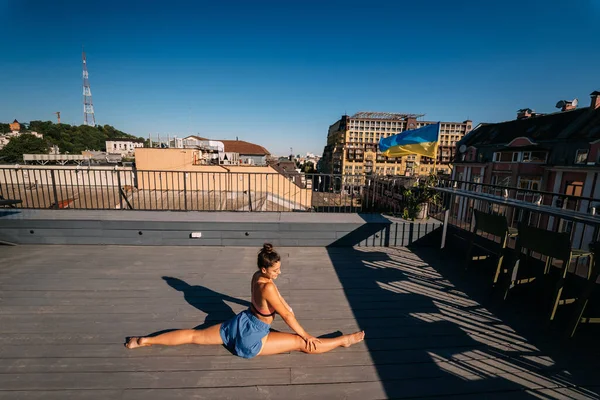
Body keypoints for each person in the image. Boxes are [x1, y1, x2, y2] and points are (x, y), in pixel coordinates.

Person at [125, 243, 365, 358]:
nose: (279, 272)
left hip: (239, 323)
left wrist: (281, 299)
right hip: (253, 334)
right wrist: (306, 335)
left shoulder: (257, 276)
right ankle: (343, 340)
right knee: (304, 345)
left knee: (194, 335)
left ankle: (145, 341)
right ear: (265, 268)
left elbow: (271, 295)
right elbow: (287, 316)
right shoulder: (268, 286)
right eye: (275, 270)